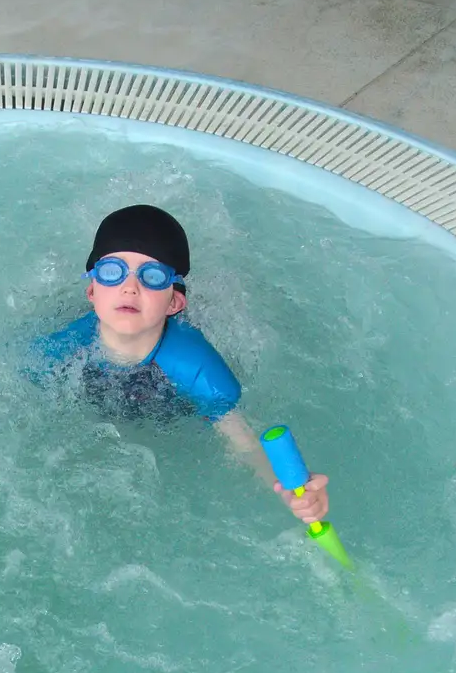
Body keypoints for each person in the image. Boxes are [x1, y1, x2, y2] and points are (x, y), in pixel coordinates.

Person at [30, 205, 329, 526]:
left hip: (169, 413)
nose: (130, 287)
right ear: (91, 291)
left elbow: (243, 444)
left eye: (153, 276)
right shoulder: (59, 349)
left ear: (175, 302)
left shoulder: (196, 368)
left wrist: (290, 492)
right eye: (113, 272)